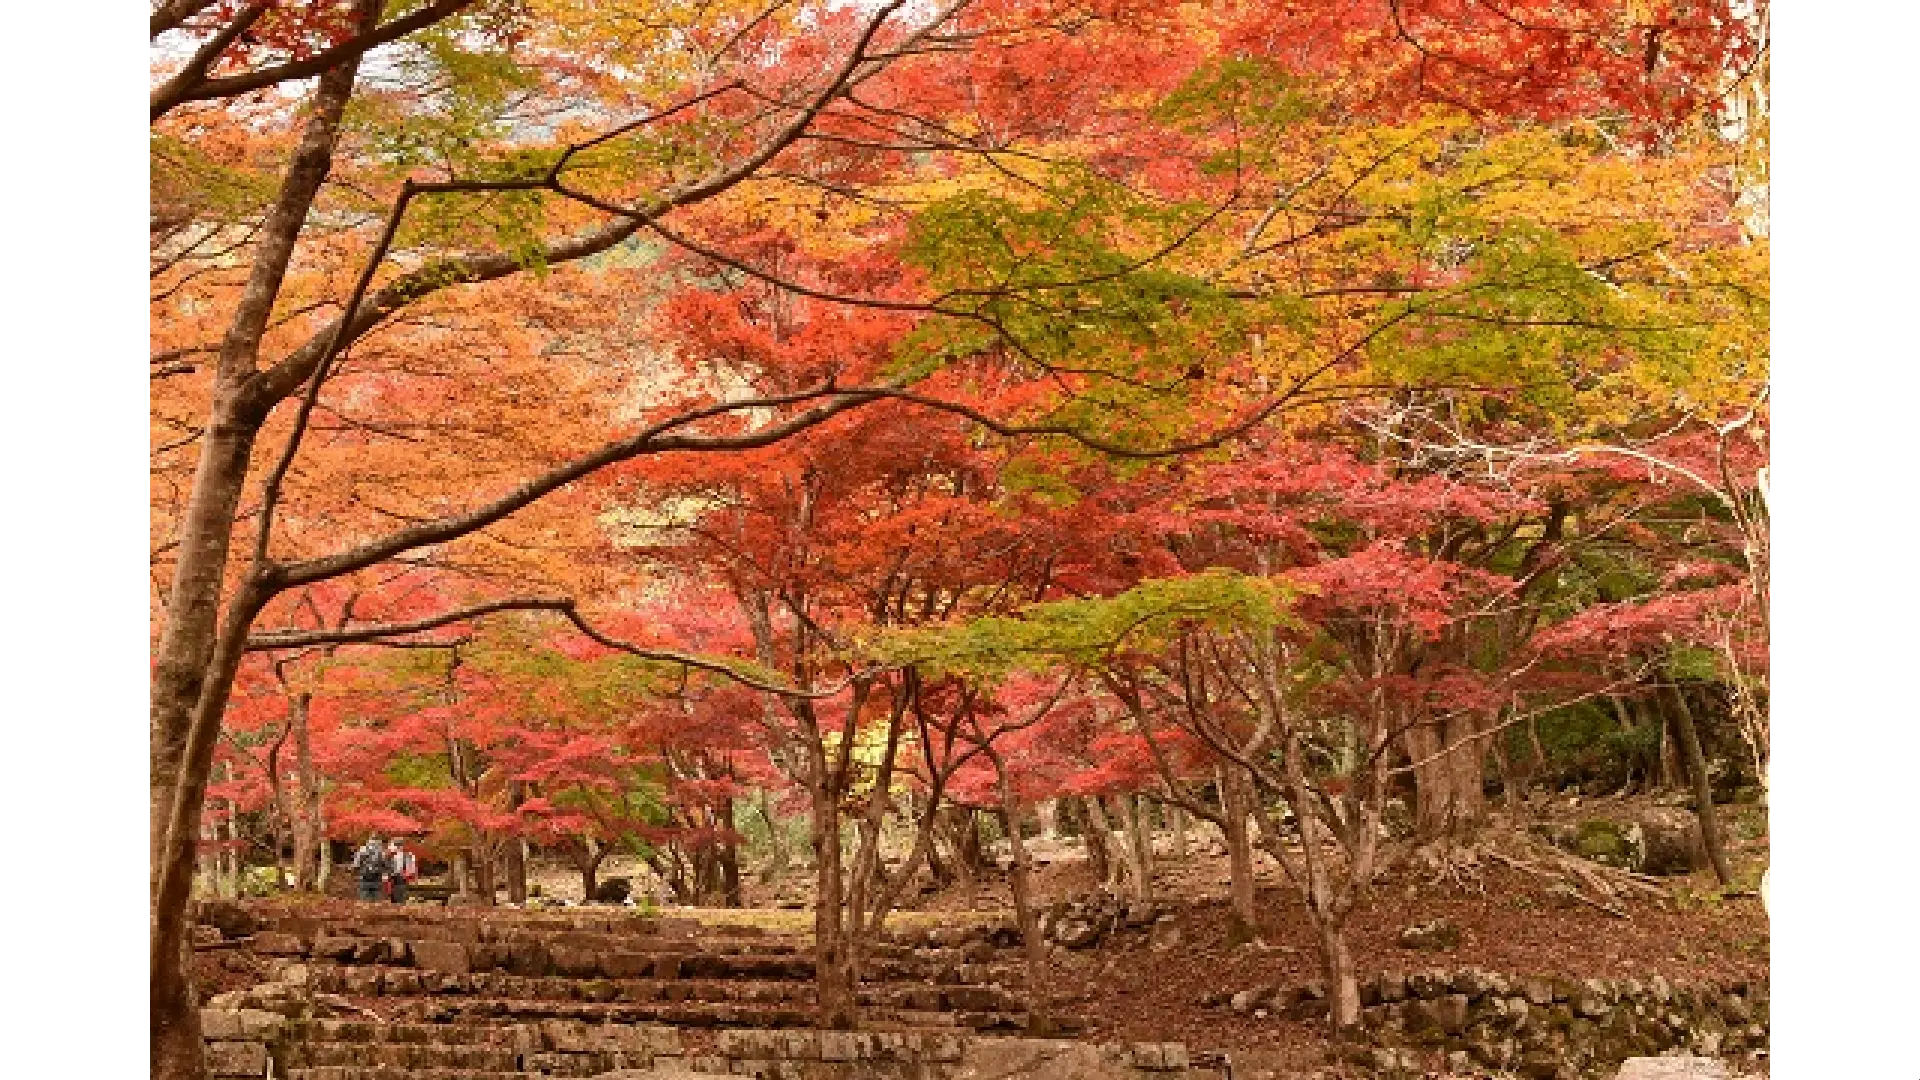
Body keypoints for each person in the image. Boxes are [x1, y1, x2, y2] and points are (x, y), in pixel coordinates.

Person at [352, 833, 386, 901]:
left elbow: (356, 863)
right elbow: (384, 863)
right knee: (376, 893)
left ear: (369, 839)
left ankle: (365, 906)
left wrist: (356, 870)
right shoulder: (381, 851)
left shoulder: (363, 849)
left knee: (364, 892)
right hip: (377, 874)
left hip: (365, 873)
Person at [386, 836, 418, 904]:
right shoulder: (391, 855)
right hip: (394, 880)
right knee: (395, 900)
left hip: (400, 879)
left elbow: (412, 869)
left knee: (399, 899)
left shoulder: (408, 855)